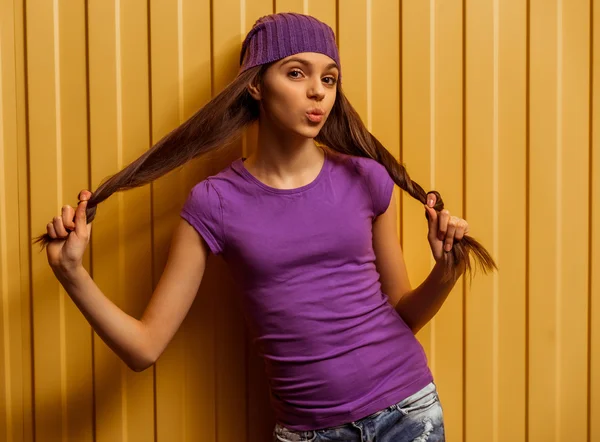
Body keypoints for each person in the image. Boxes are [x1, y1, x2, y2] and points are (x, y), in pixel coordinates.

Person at [37, 12, 496, 442]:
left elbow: (405, 315)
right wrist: (71, 273)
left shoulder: (366, 178)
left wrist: (446, 269)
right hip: (310, 431)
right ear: (256, 84)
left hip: (407, 411)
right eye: (296, 73)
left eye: (329, 78)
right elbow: (144, 349)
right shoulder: (215, 202)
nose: (318, 91)